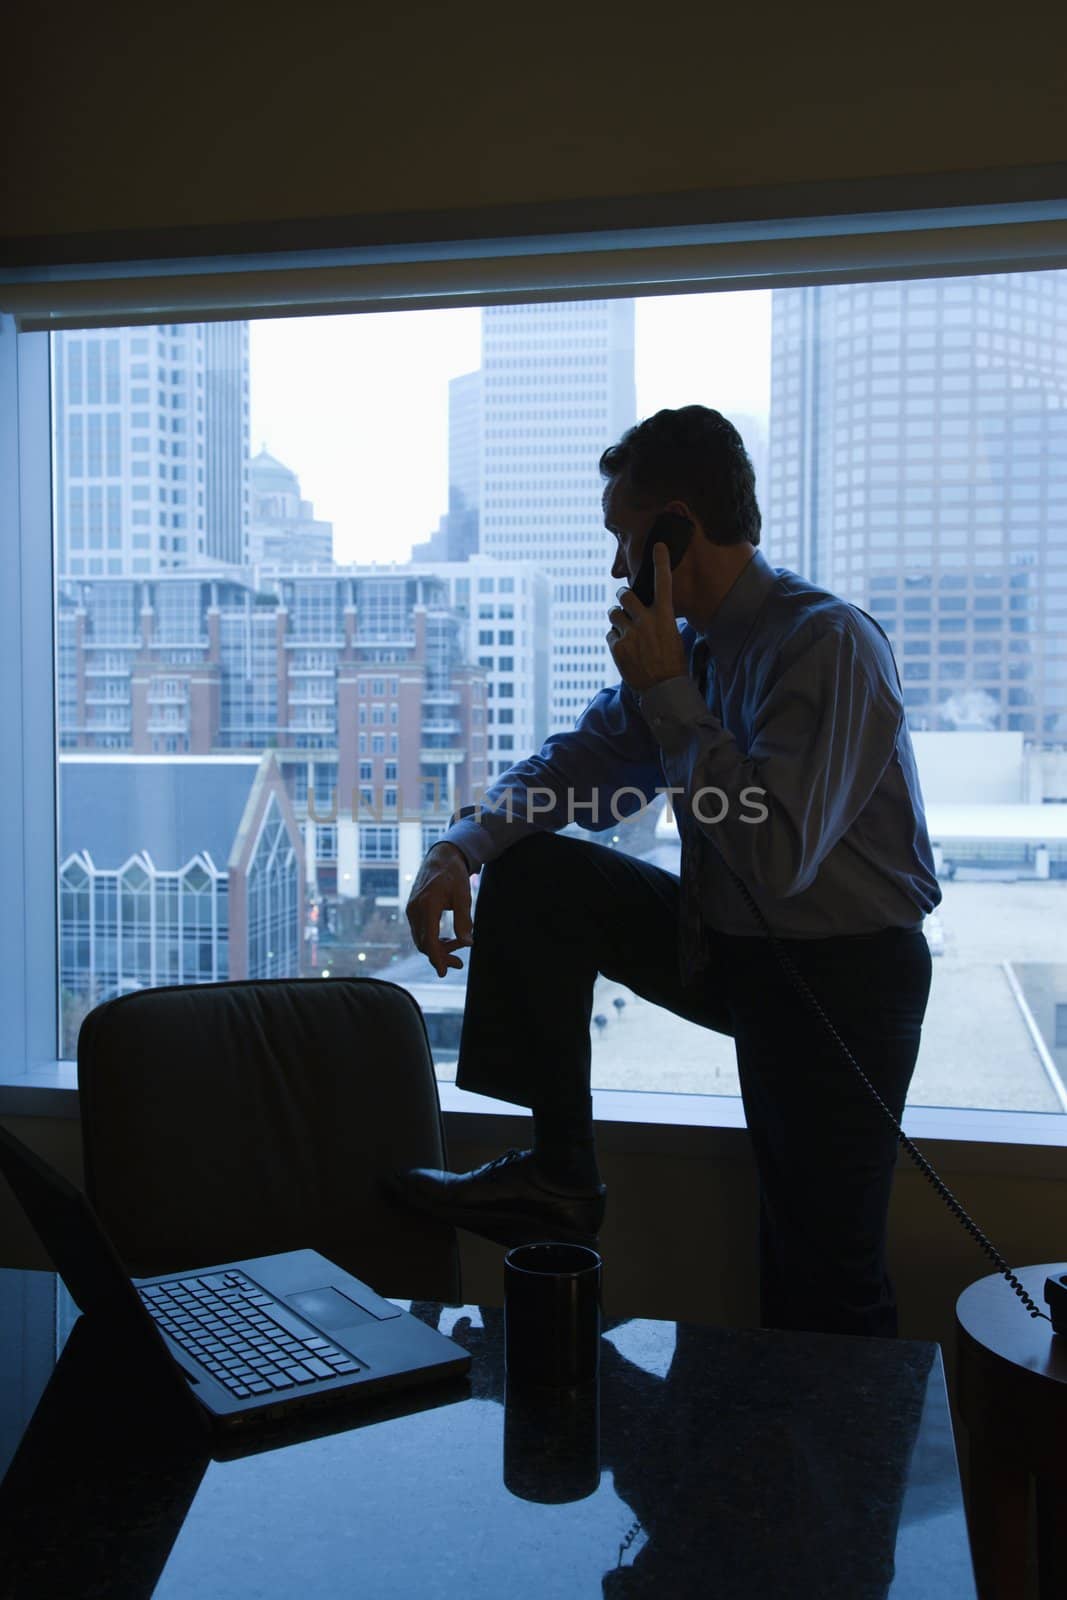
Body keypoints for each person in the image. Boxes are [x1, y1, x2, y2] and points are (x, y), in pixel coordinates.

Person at [394, 405, 941, 1338]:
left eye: (623, 536)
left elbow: (774, 853)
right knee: (537, 877)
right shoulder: (687, 653)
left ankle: (839, 1472)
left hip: (843, 979)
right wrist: (458, 849)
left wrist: (669, 700)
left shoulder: (825, 644)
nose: (616, 569)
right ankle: (559, 1174)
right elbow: (576, 764)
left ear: (676, 526)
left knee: (819, 1265)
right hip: (731, 949)